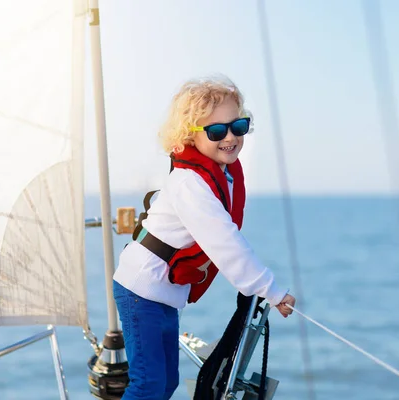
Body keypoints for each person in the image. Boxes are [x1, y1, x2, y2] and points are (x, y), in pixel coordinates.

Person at [113, 75, 296, 400]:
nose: (229, 137)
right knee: (148, 385)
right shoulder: (189, 183)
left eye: (237, 126)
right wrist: (271, 290)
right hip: (141, 289)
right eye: (216, 131)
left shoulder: (220, 174)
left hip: (165, 293)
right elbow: (223, 241)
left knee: (166, 383)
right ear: (189, 136)